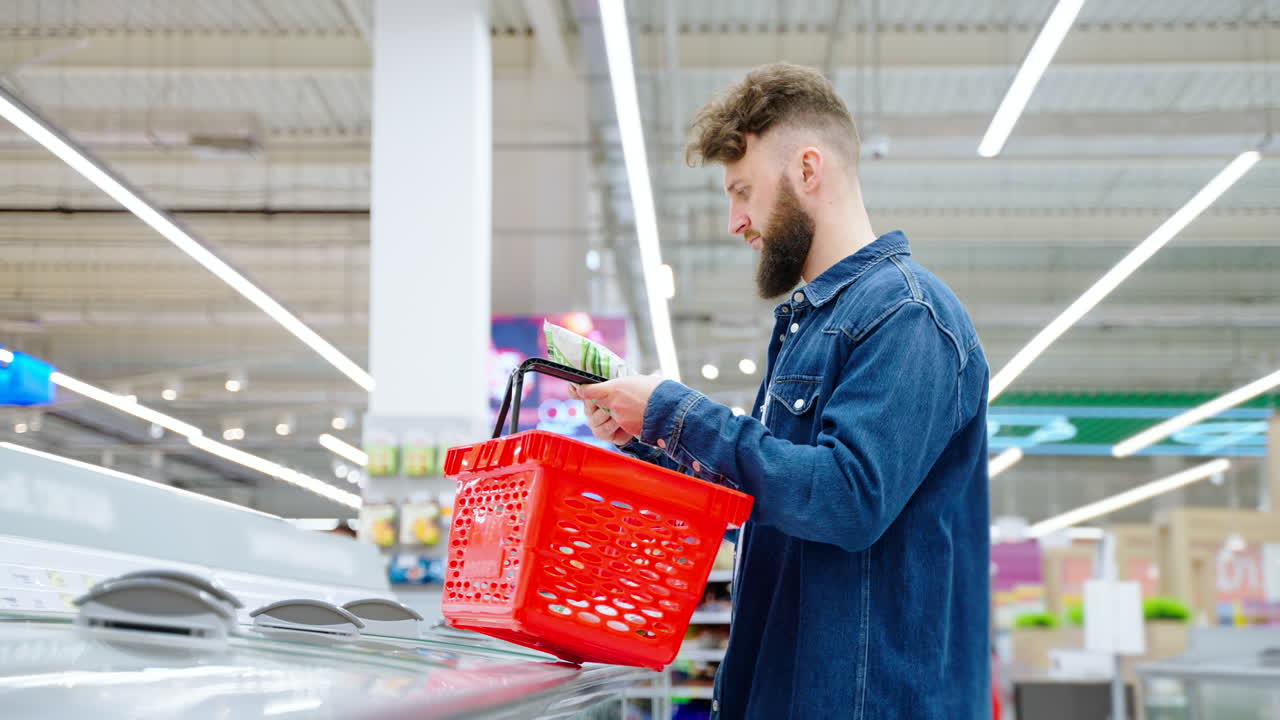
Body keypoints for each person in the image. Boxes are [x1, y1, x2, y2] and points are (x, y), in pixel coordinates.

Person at [569, 63, 990, 719]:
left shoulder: (907, 316)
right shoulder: (812, 327)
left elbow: (847, 498)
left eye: (743, 190)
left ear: (808, 169)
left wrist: (679, 412)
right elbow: (773, 490)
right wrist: (651, 434)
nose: (736, 220)